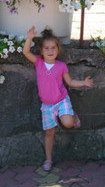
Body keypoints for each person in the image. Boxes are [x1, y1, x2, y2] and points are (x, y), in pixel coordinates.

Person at [23, 25, 94, 171]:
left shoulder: (61, 66)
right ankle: (48, 159)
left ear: (58, 50)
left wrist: (83, 83)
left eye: (53, 48)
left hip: (61, 101)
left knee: (68, 123)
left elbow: (70, 82)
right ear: (41, 51)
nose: (50, 51)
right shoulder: (39, 63)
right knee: (49, 133)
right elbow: (26, 52)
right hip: (47, 106)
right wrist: (29, 38)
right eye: (46, 48)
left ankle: (73, 117)